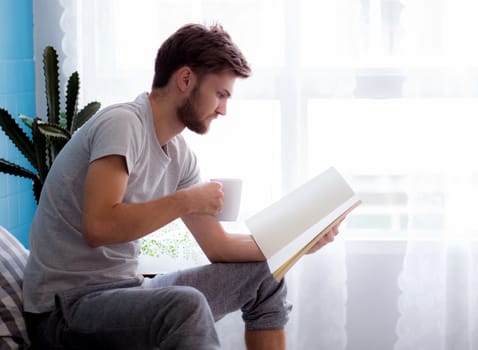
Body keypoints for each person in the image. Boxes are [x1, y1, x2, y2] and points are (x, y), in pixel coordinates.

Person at [22, 23, 343, 350]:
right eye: (220, 94)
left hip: (126, 290)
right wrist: (186, 201)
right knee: (185, 304)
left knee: (265, 274)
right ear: (186, 79)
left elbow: (220, 247)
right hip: (66, 309)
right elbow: (99, 225)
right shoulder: (122, 124)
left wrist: (298, 242)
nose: (223, 110)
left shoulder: (179, 155)